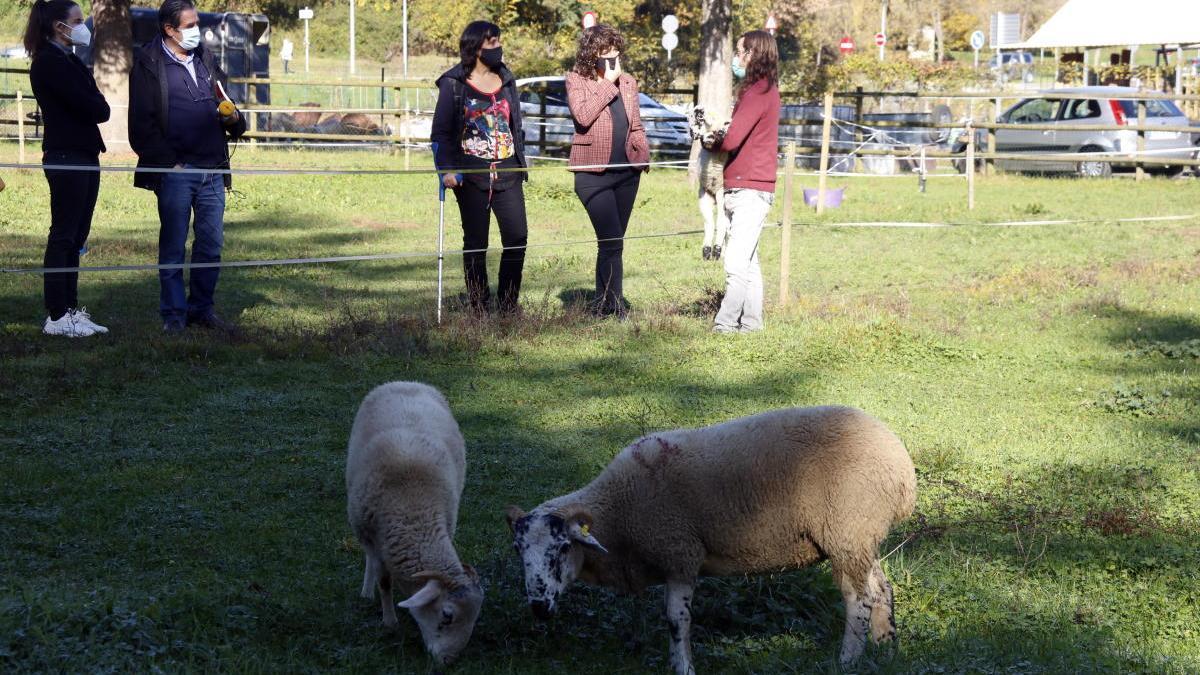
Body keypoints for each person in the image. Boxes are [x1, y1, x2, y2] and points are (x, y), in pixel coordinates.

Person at [129, 0, 247, 334]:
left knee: (210, 246)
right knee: (173, 247)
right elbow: (140, 126)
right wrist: (171, 164)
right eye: (190, 25)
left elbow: (228, 103)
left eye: (197, 23)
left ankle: (201, 310)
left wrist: (235, 119)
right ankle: (174, 317)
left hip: (212, 171)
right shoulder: (148, 64)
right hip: (176, 173)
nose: (198, 30)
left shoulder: (205, 58)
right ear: (169, 29)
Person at [431, 21, 528, 316]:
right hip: (470, 176)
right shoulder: (454, 83)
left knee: (517, 237)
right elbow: (441, 133)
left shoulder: (507, 79)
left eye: (499, 41)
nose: (498, 48)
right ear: (475, 47)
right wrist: (447, 169)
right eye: (492, 42)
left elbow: (515, 126)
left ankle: (508, 305)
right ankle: (479, 307)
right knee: (476, 242)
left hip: (508, 173)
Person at [26, 0, 110, 337]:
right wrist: (92, 101)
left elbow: (100, 106)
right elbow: (91, 105)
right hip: (66, 155)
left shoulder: (71, 59)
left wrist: (93, 101)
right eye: (76, 20)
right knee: (63, 234)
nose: (82, 26)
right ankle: (57, 314)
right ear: (58, 26)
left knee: (77, 236)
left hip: (86, 153)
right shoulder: (49, 62)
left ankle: (72, 310)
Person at [565, 24, 650, 320]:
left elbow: (635, 123)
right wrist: (607, 83)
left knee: (612, 243)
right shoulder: (576, 80)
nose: (613, 58)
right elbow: (583, 116)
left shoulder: (629, 82)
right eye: (606, 54)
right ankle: (615, 306)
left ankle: (603, 304)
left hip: (627, 173)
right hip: (592, 174)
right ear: (592, 54)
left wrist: (642, 153)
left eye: (616, 52)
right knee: (612, 239)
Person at [708, 30, 780, 334]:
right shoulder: (765, 91)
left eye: (741, 52)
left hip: (749, 188)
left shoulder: (758, 93)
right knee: (749, 262)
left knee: (735, 263)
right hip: (751, 185)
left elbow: (733, 138)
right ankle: (752, 324)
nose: (737, 58)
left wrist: (713, 140)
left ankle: (725, 324)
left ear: (753, 54)